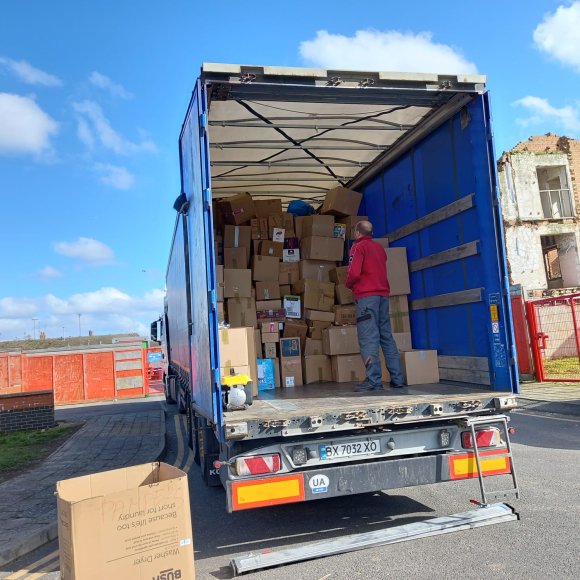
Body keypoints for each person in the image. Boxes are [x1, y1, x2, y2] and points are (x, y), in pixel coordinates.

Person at [345, 220, 404, 391]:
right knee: (386, 336)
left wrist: (348, 285)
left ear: (357, 233)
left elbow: (354, 273)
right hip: (383, 296)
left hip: (366, 298)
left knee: (368, 337)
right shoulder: (379, 249)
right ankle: (397, 378)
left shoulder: (358, 247)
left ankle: (373, 381)